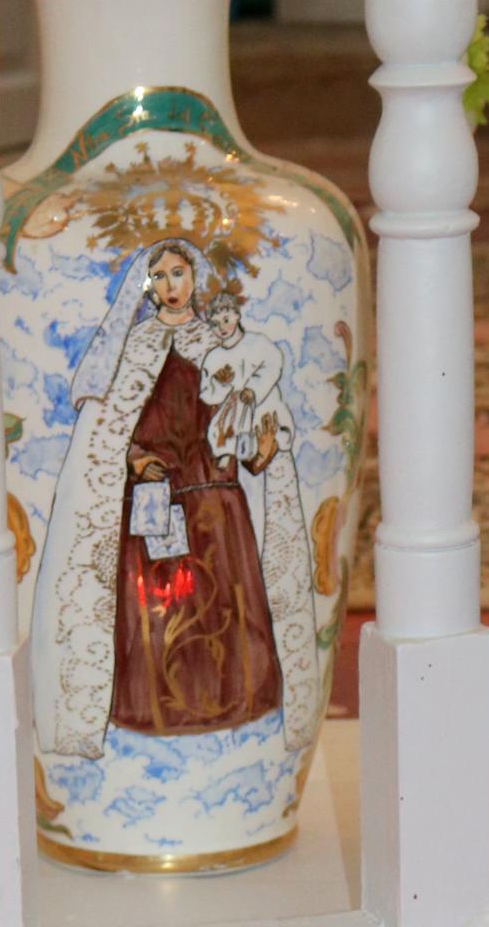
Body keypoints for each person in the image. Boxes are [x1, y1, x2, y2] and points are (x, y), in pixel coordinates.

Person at [31, 239, 319, 762]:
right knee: (165, 600)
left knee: (224, 597)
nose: (170, 285)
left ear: (194, 277)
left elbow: (247, 422)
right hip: (158, 500)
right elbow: (108, 431)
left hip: (217, 499)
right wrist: (135, 457)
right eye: (159, 276)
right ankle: (155, 709)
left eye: (178, 273)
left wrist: (262, 451)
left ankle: (232, 702)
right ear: (147, 287)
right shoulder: (136, 349)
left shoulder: (219, 347)